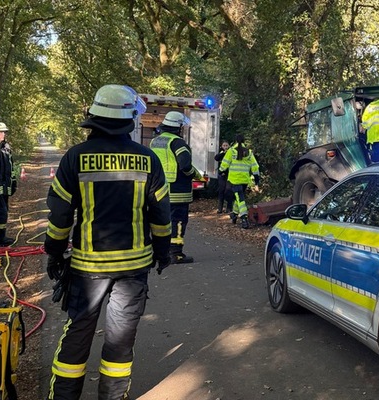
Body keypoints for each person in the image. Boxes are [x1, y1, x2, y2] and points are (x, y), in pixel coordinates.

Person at [44, 84, 172, 400]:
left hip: (88, 269)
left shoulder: (74, 157)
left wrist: (54, 252)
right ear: (130, 119)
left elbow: (60, 216)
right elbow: (160, 213)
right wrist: (163, 249)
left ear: (94, 116)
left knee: (78, 333)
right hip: (133, 268)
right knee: (120, 340)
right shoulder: (148, 159)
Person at [150, 110, 204, 264]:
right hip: (177, 191)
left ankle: (161, 251)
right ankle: (176, 253)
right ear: (179, 127)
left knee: (161, 221)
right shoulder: (178, 142)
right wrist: (195, 174)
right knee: (178, 221)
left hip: (159, 189)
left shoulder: (156, 141)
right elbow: (185, 165)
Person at [219, 134, 260, 229]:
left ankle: (244, 218)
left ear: (236, 141)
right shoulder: (249, 152)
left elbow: (225, 163)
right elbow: (255, 166)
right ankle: (234, 214)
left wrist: (221, 171)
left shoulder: (231, 151)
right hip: (245, 180)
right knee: (239, 197)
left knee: (240, 199)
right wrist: (256, 178)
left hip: (234, 180)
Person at [0, 122, 16, 245]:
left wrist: (13, 181)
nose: (4, 134)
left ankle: (1, 237)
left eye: (4, 132)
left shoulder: (6, 147)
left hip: (6, 185)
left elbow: (10, 165)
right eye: (1, 132)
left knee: (4, 211)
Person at [214, 140, 234, 214]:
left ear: (229, 146)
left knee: (228, 191)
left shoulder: (231, 153)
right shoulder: (221, 153)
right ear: (221, 146)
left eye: (226, 145)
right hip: (222, 174)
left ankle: (229, 208)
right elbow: (216, 158)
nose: (225, 147)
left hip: (229, 174)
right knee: (221, 191)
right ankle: (220, 208)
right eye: (224, 145)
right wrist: (223, 153)